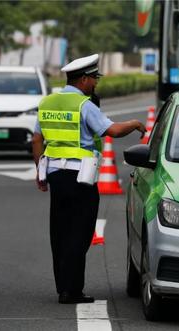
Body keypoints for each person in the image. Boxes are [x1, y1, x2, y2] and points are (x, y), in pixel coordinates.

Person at [32, 54, 146, 304]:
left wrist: (40, 171)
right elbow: (112, 131)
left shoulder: (47, 102)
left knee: (59, 232)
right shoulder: (84, 105)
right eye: (94, 79)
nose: (96, 84)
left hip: (55, 175)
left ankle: (63, 286)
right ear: (83, 79)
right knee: (80, 233)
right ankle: (72, 291)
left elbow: (37, 139)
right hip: (80, 178)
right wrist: (136, 123)